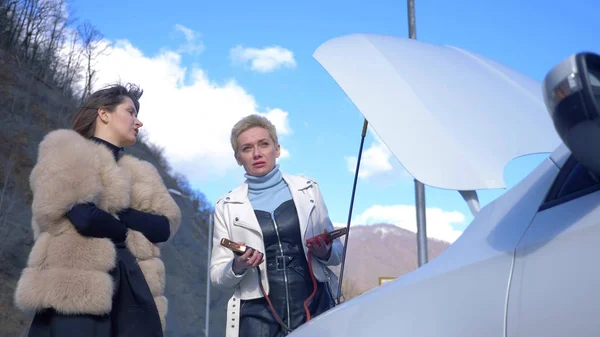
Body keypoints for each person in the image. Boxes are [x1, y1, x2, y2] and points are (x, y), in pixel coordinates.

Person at [14, 83, 181, 337]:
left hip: (134, 295)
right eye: (131, 112)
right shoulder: (67, 150)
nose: (138, 122)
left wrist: (111, 212)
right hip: (74, 292)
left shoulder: (142, 173)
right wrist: (131, 229)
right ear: (104, 113)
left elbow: (162, 228)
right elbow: (84, 219)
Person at [210, 114, 343, 337]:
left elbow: (337, 253)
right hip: (258, 317)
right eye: (247, 148)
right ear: (238, 158)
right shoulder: (226, 206)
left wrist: (325, 250)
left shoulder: (308, 190)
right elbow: (217, 277)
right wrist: (238, 265)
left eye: (264, 144)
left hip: (316, 307)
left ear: (277, 149)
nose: (257, 153)